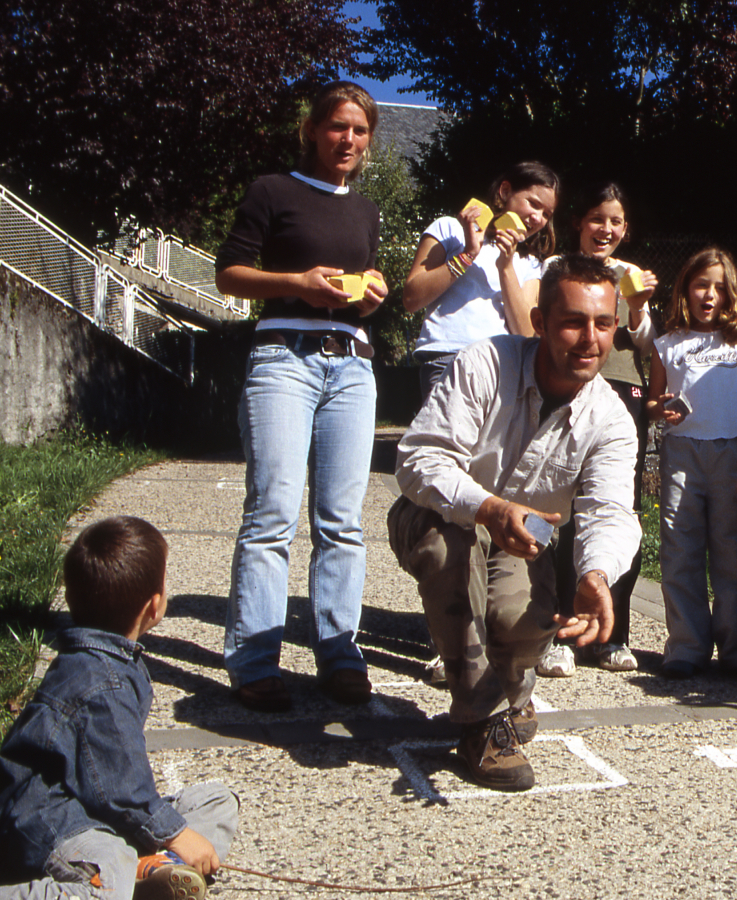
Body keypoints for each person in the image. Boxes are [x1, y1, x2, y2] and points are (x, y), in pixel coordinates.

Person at [388, 254, 640, 791]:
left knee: (526, 620)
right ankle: (480, 723)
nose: (588, 339)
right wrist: (490, 508)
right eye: (572, 321)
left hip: (527, 540)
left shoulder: (612, 419)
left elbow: (610, 511)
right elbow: (418, 459)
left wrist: (597, 576)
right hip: (441, 515)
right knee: (445, 547)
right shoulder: (485, 363)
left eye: (602, 323)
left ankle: (513, 689)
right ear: (541, 322)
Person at [215, 81, 387, 713]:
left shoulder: (366, 209)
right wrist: (296, 284)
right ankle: (255, 660)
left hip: (353, 366)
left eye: (360, 130)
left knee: (342, 522)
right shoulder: (272, 190)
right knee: (272, 515)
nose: (348, 140)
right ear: (312, 130)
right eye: (338, 127)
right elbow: (227, 271)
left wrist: (371, 292)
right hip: (283, 355)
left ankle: (340, 654)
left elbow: (360, 282)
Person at [0, 517, 240, 899]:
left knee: (215, 799)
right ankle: (118, 880)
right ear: (154, 606)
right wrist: (175, 833)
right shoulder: (102, 683)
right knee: (108, 877)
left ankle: (149, 873)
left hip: (91, 809)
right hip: (50, 824)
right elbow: (123, 792)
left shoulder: (105, 661)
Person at [540, 183, 660, 678]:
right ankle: (560, 633)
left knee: (617, 510)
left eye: (615, 221)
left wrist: (641, 306)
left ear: (625, 228)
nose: (605, 229)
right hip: (567, 389)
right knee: (563, 508)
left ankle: (613, 635)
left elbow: (647, 343)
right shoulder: (557, 269)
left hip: (623, 393)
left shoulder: (632, 274)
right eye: (596, 219)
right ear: (578, 224)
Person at [647, 247, 737, 680]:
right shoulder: (667, 344)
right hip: (683, 452)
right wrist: (658, 409)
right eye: (701, 285)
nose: (709, 295)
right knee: (680, 548)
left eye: (719, 288)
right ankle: (686, 645)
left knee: (730, 549)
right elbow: (652, 400)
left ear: (730, 295)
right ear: (685, 289)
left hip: (734, 452)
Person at [403, 161, 560, 408]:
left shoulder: (529, 262)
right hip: (449, 359)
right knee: (448, 444)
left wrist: (506, 265)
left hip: (501, 367)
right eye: (533, 204)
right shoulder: (451, 228)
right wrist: (467, 255)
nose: (537, 218)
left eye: (546, 214)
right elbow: (412, 298)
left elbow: (526, 332)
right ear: (505, 191)